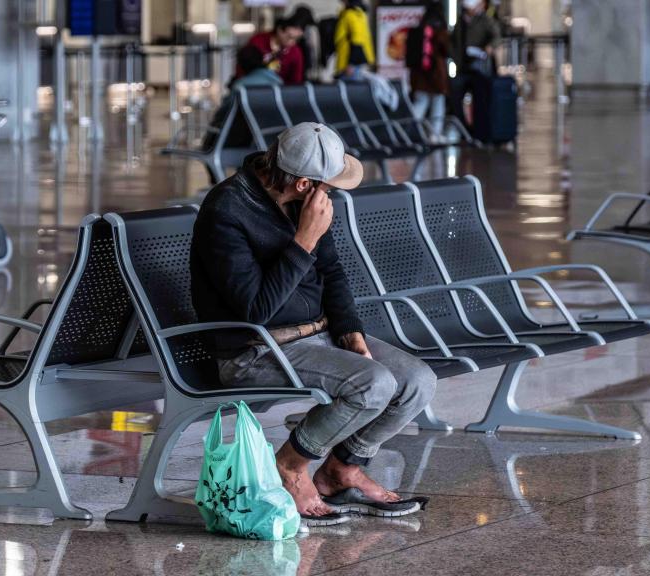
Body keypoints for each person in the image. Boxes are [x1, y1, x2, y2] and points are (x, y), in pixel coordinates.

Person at [191, 122, 437, 525]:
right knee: (372, 385)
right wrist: (304, 240)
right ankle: (288, 466)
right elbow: (254, 311)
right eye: (328, 185)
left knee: (416, 382)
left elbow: (333, 273)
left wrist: (350, 333)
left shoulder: (301, 202)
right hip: (255, 349)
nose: (332, 192)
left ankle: (341, 469)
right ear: (305, 184)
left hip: (316, 334)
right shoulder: (226, 211)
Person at [449, 0, 500, 128]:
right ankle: (463, 127)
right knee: (455, 95)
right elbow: (454, 41)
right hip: (462, 66)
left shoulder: (485, 20)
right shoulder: (460, 20)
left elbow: (496, 36)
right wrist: (454, 56)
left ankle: (479, 128)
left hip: (479, 66)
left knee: (480, 98)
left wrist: (489, 47)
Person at [407, 1, 450, 140]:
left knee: (420, 103)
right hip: (436, 75)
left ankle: (409, 133)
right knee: (438, 104)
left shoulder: (417, 30)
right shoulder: (440, 32)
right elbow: (447, 51)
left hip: (419, 75)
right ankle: (434, 134)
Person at [240, 18, 305, 86]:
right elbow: (243, 64)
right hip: (251, 85)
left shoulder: (295, 52)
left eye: (296, 39)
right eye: (289, 37)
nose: (292, 42)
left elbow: (296, 80)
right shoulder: (258, 41)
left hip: (281, 90)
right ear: (279, 30)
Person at [334, 0, 375, 82]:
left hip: (351, 65)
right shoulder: (357, 14)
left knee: (349, 91)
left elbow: (357, 41)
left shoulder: (351, 15)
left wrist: (351, 64)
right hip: (349, 63)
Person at [287, 5, 319, 80]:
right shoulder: (311, 28)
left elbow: (313, 48)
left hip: (304, 60)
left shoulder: (308, 29)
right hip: (306, 60)